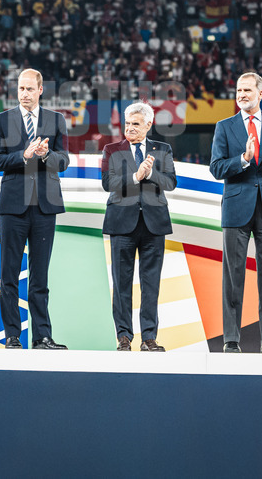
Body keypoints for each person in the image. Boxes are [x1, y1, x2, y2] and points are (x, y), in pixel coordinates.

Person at [209, 72, 262, 354]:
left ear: (261, 93)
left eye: (247, 90)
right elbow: (216, 168)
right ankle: (231, 340)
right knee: (233, 277)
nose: (241, 94)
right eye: (238, 90)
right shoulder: (224, 126)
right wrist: (243, 159)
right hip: (236, 207)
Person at [0, 69, 70, 350]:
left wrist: (46, 154)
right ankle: (12, 336)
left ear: (40, 90)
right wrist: (22, 155)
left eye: (28, 89)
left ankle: (42, 337)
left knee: (40, 277)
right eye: (20, 89)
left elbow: (64, 161)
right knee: (9, 274)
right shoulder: (2, 120)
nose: (24, 94)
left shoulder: (56, 120)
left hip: (44, 207)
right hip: (12, 207)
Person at [101, 102, 177, 352]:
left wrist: (150, 173)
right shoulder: (111, 150)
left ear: (148, 125)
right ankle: (124, 337)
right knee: (121, 284)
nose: (130, 128)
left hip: (154, 225)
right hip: (122, 224)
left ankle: (149, 338)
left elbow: (171, 182)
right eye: (127, 124)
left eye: (136, 124)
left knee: (150, 284)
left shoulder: (162, 149)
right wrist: (136, 177)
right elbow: (108, 183)